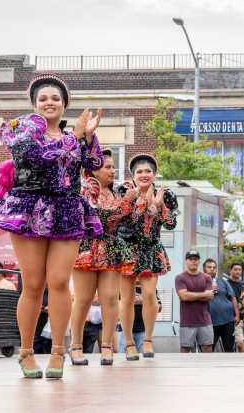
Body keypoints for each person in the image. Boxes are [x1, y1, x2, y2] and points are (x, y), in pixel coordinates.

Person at [0, 72, 103, 379]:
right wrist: (76, 138)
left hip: (66, 209)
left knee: (61, 281)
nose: (49, 102)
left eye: (55, 98)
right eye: (43, 99)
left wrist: (87, 137)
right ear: (34, 104)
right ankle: (26, 352)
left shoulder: (74, 136)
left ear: (64, 105)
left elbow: (94, 165)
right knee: (34, 284)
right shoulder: (23, 129)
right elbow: (36, 156)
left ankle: (57, 352)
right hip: (29, 208)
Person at [69, 147, 136, 366]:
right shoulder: (87, 189)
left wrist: (134, 203)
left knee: (109, 298)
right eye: (107, 167)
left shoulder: (117, 193)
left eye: (113, 167)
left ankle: (107, 346)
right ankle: (75, 346)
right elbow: (97, 217)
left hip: (112, 248)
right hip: (88, 245)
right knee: (84, 299)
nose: (112, 171)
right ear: (94, 170)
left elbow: (126, 223)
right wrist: (126, 203)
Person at [117, 153, 176, 360]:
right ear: (133, 175)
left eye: (148, 171)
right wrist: (143, 203)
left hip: (151, 248)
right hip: (128, 248)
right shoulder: (124, 190)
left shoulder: (165, 193)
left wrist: (159, 207)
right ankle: (129, 342)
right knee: (128, 297)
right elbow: (125, 221)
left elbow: (171, 224)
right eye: (139, 172)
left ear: (154, 174)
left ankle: (149, 340)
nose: (144, 175)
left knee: (150, 294)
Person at [174, 250, 214, 353]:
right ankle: (184, 370)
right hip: (187, 321)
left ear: (199, 261)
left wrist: (190, 295)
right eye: (190, 259)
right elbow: (184, 296)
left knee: (207, 349)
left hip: (205, 320)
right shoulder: (180, 278)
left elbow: (209, 297)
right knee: (185, 349)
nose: (193, 261)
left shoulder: (207, 277)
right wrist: (203, 294)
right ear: (186, 261)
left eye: (195, 259)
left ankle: (207, 369)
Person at [115, 278, 161, 353]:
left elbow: (159, 307)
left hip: (143, 329)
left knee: (145, 356)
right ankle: (128, 342)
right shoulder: (120, 289)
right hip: (123, 329)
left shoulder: (153, 290)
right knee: (122, 354)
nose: (137, 276)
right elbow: (114, 305)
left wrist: (143, 302)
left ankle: (148, 340)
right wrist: (130, 302)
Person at [204, 258, 239, 353]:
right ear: (204, 269)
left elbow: (233, 297)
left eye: (214, 268)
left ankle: (229, 366)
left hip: (228, 319)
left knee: (229, 347)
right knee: (209, 348)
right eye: (209, 267)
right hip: (210, 321)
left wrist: (237, 315)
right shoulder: (200, 283)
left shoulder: (223, 282)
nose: (212, 269)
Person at [225, 262, 244, 351]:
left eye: (239, 270)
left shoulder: (243, 285)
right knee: (238, 343)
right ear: (231, 270)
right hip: (231, 318)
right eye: (235, 269)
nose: (237, 272)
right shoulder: (226, 284)